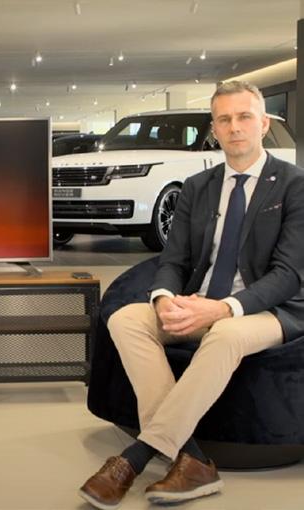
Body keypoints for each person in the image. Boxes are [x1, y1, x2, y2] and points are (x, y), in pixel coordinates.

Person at [79, 80, 304, 509]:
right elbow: (173, 260)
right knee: (125, 319)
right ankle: (193, 459)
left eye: (244, 117)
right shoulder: (198, 186)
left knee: (225, 334)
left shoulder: (295, 185)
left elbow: (288, 274)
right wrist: (165, 298)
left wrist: (221, 309)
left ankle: (136, 456)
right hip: (199, 301)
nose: (234, 127)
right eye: (224, 119)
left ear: (263, 124)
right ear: (214, 130)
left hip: (269, 310)